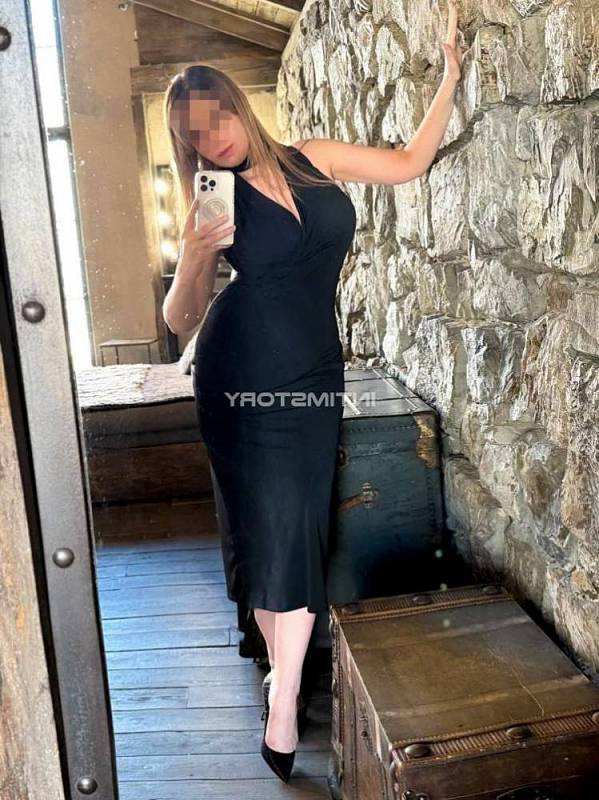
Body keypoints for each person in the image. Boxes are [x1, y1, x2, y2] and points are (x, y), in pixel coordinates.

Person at [162, 1, 463, 782]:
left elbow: (409, 162)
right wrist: (193, 255)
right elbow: (179, 319)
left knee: (293, 525)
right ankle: (286, 700)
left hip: (311, 371)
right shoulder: (211, 198)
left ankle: (279, 678)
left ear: (238, 105)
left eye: (218, 116)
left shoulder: (310, 156)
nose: (214, 138)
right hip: (239, 377)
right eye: (195, 135)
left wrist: (449, 78)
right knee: (276, 531)